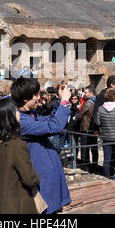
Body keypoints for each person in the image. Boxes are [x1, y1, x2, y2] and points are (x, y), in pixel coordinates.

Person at [11, 78, 72, 214]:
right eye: (36, 94)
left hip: (47, 170)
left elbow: (49, 120)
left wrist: (60, 102)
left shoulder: (30, 115)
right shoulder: (23, 121)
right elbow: (54, 126)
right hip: (41, 173)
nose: (39, 98)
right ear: (26, 99)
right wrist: (65, 102)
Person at [0, 98, 40, 214]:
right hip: (16, 205)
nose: (18, 113)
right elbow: (30, 179)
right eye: (16, 111)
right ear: (9, 116)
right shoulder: (16, 144)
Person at [94, 88, 115, 180]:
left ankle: (107, 178)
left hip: (106, 136)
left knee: (107, 159)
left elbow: (97, 122)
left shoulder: (100, 108)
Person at [77, 85, 97, 171]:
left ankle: (85, 167)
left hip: (85, 128)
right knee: (93, 148)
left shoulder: (88, 103)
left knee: (85, 148)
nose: (84, 94)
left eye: (85, 92)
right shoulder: (97, 102)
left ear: (91, 93)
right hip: (93, 128)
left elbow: (80, 115)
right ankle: (94, 166)